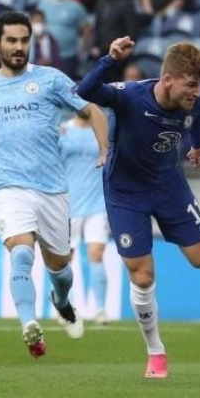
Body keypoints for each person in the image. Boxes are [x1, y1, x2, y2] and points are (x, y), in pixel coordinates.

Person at [75, 36, 200, 378]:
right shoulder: (129, 96)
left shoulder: (194, 100)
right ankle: (156, 352)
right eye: (191, 84)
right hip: (126, 192)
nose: (197, 92)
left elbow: (194, 119)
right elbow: (85, 91)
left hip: (169, 186)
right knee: (142, 274)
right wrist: (110, 59)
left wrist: (196, 145)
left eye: (199, 85)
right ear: (168, 80)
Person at [0, 11, 108, 358]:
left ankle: (61, 299)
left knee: (60, 269)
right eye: (11, 40)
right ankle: (30, 325)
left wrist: (105, 149)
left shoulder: (50, 79)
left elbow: (93, 110)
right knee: (21, 252)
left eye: (24, 40)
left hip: (53, 190)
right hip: (9, 187)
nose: (18, 47)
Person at [59, 111, 112, 324]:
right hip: (68, 204)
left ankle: (100, 309)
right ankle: (66, 308)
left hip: (98, 204)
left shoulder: (101, 131)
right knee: (65, 259)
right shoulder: (63, 131)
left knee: (96, 254)